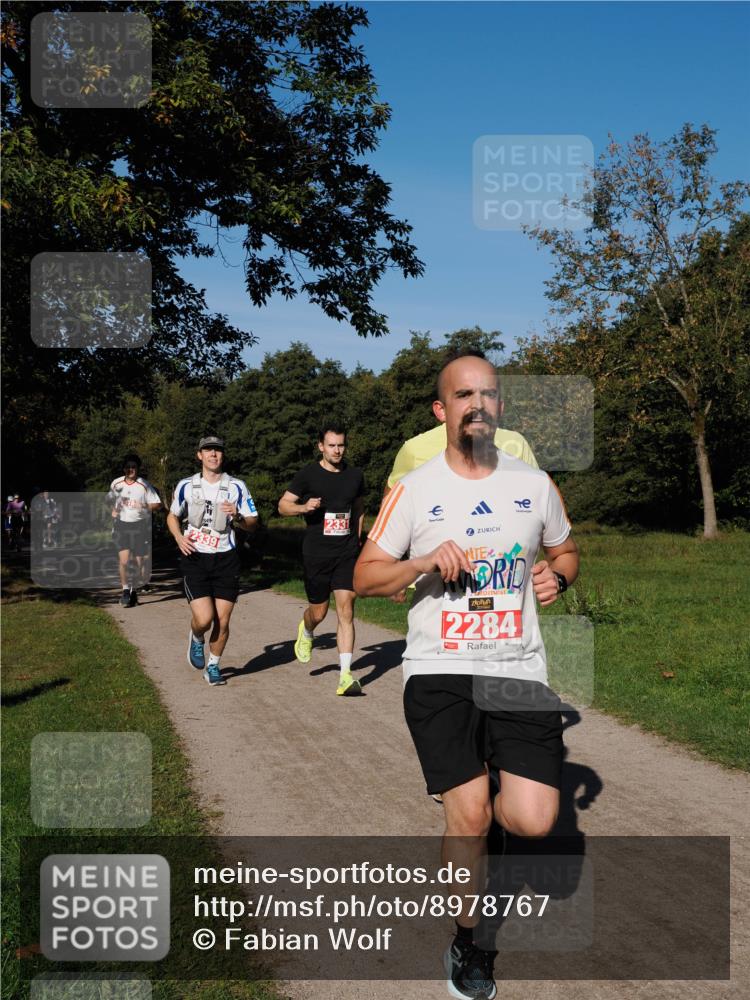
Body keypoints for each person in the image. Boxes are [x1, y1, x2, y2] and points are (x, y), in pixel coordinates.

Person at [354, 354, 579, 1000]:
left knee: (534, 820)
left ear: (499, 407)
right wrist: (422, 560)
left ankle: (483, 813)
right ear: (442, 410)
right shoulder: (416, 488)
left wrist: (558, 574)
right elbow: (366, 574)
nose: (476, 406)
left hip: (517, 669)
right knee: (471, 815)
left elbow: (566, 547)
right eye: (462, 396)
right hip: (439, 671)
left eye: (488, 395)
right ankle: (469, 941)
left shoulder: (534, 484)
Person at [278, 422, 365, 697]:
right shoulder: (308, 475)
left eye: (341, 445)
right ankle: (307, 630)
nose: (337, 450)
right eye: (332, 445)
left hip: (346, 552)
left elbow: (359, 510)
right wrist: (304, 507)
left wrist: (359, 540)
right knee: (319, 612)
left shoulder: (355, 475)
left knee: (346, 609)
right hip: (316, 553)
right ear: (320, 446)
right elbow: (282, 505)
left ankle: (345, 676)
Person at [167, 435, 257, 687]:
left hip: (226, 558)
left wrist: (237, 515)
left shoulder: (237, 486)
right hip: (194, 557)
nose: (213, 455)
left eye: (217, 450)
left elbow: (252, 523)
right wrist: (177, 537)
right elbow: (173, 516)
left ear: (222, 455)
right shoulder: (186, 485)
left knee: (223, 619)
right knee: (205, 619)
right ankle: (197, 637)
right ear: (199, 455)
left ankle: (214, 666)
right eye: (208, 450)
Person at [108, 455, 162, 607]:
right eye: (128, 467)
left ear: (138, 469)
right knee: (124, 561)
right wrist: (113, 509)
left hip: (139, 526)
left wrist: (144, 506)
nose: (130, 470)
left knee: (139, 562)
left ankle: (133, 590)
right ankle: (125, 591)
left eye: (134, 467)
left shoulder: (144, 485)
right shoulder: (116, 483)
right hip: (121, 525)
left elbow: (157, 503)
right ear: (124, 468)